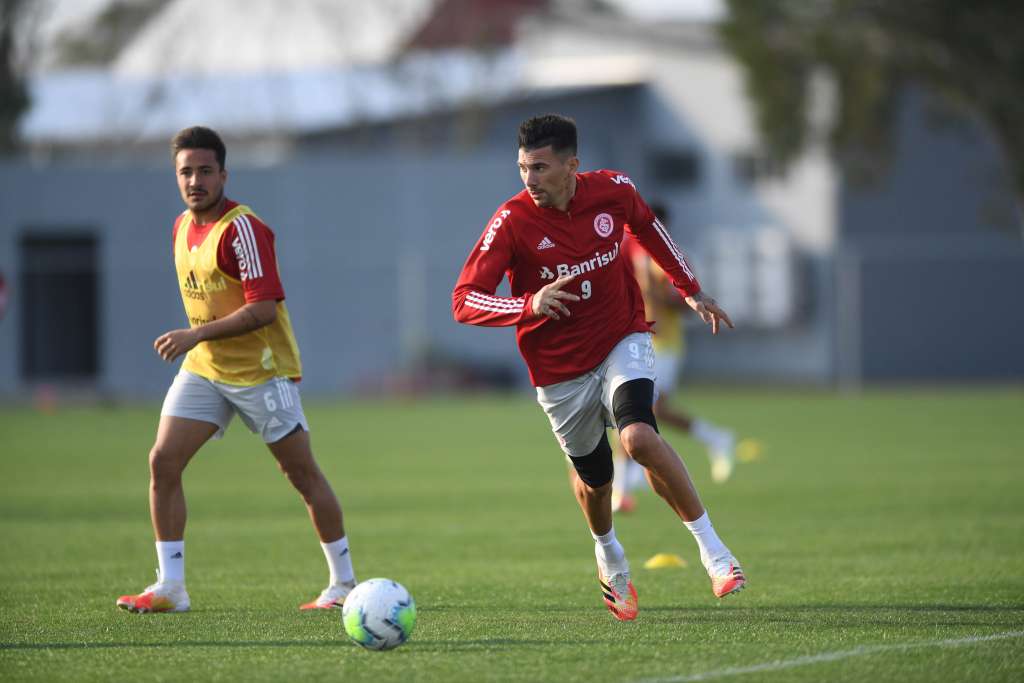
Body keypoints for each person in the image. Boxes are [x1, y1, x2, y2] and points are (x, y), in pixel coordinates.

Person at [452, 114, 746, 621]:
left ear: (572, 165)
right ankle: (608, 552)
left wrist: (691, 290)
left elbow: (651, 230)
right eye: (523, 168)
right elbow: (464, 300)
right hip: (558, 370)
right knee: (596, 480)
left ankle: (715, 552)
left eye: (540, 168)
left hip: (622, 338)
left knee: (638, 437)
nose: (529, 179)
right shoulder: (511, 221)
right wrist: (528, 305)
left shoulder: (613, 190)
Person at [117, 126, 355, 613]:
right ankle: (171, 587)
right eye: (186, 171)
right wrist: (199, 344)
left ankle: (344, 583)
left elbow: (263, 309)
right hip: (206, 370)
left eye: (205, 170)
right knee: (163, 462)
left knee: (301, 472)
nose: (195, 180)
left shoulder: (243, 228)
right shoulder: (181, 226)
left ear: (224, 173)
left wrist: (194, 335)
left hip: (261, 372)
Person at [609, 202, 737, 514]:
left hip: (665, 343)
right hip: (637, 341)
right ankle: (715, 438)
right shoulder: (630, 252)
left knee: (639, 412)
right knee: (641, 411)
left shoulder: (671, 257)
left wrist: (663, 299)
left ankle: (623, 489)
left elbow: (688, 302)